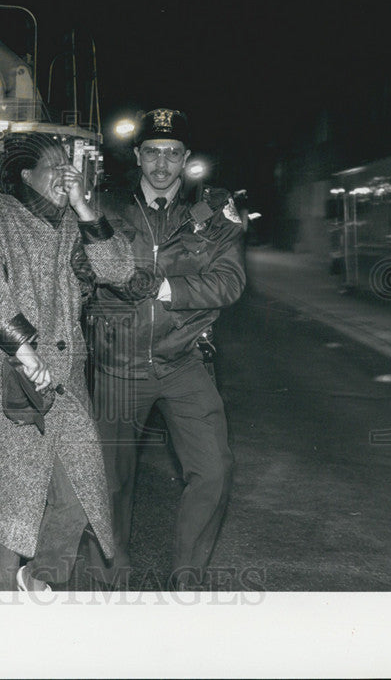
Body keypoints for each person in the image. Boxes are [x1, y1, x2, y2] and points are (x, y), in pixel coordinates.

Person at [0, 134, 134, 591]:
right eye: (54, 167)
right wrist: (21, 343)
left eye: (70, 167)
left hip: (61, 380)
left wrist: (84, 208)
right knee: (5, 501)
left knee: (80, 491)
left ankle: (37, 579)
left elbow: (119, 270)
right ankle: (6, 609)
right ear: (25, 174)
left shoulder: (74, 222)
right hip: (1, 370)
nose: (67, 175)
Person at [85, 107, 246, 590]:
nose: (161, 163)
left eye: (172, 153)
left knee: (214, 470)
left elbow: (229, 282)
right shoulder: (105, 208)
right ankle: (112, 581)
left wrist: (164, 288)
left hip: (183, 360)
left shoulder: (214, 215)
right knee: (108, 482)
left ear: (185, 159)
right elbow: (81, 269)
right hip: (117, 364)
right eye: (152, 152)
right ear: (138, 155)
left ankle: (186, 577)